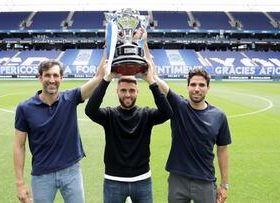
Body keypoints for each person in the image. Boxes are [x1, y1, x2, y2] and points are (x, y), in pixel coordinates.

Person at [13, 56, 106, 203]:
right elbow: (19, 145)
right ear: (40, 77)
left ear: (61, 78)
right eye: (47, 75)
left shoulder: (70, 98)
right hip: (42, 175)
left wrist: (107, 48)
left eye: (56, 75)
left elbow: (99, 77)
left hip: (71, 172)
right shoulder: (25, 108)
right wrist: (20, 183)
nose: (52, 80)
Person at [85, 60, 173, 203]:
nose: (128, 95)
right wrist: (107, 78)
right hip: (114, 180)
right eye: (123, 90)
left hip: (142, 180)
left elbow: (167, 113)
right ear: (117, 91)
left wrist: (151, 81)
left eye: (132, 90)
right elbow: (90, 110)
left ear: (137, 91)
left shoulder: (146, 115)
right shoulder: (110, 115)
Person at [154, 67, 232, 203]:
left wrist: (224, 185)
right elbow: (160, 84)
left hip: (205, 181)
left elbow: (223, 150)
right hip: (177, 179)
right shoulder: (179, 106)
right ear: (187, 87)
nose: (197, 89)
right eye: (193, 84)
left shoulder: (219, 115)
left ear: (208, 88)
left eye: (202, 85)